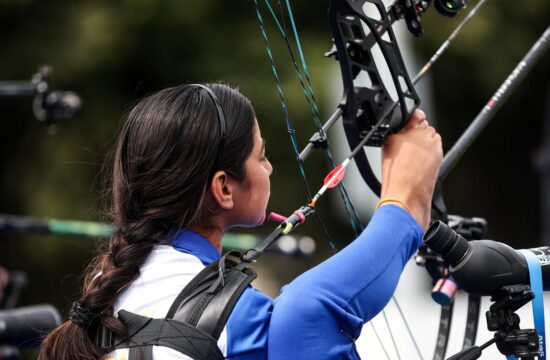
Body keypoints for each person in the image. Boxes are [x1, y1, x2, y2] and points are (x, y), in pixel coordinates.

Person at [39, 83, 442, 360]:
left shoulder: (104, 294)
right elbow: (308, 314)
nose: (269, 167)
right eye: (260, 155)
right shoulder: (233, 321)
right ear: (223, 189)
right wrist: (404, 205)